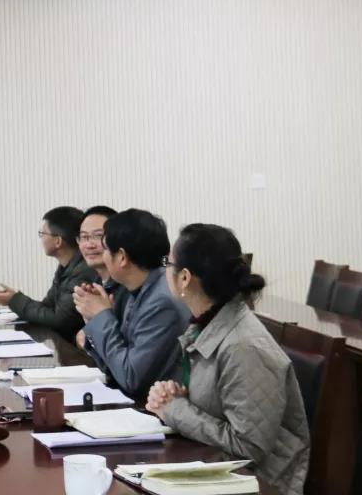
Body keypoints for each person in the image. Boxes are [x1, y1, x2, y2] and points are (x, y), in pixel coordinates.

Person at [147, 224, 310, 494]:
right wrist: (179, 398)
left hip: (259, 484)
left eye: (168, 263)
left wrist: (175, 410)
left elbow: (249, 447)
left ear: (185, 277)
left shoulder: (244, 347)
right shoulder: (208, 325)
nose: (165, 270)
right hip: (219, 471)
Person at [73, 208, 188, 399]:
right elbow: (114, 369)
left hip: (159, 407)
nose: (103, 255)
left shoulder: (161, 301)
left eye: (105, 248)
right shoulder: (136, 289)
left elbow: (130, 378)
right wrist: (94, 320)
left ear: (122, 257)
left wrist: (101, 317)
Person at [0, 206, 99, 339]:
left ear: (58, 241)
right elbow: (47, 307)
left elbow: (59, 320)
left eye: (43, 234)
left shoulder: (83, 272)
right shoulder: (66, 267)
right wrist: (14, 299)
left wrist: (14, 300)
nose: (41, 239)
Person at [73, 205, 125, 348]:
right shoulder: (94, 283)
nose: (89, 245)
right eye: (84, 237)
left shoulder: (128, 286)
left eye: (98, 236)